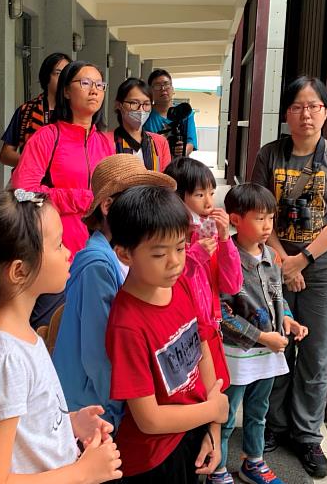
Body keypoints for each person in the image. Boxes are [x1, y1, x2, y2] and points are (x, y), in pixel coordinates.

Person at [0, 189, 122, 484]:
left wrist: (70, 424)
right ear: (19, 270)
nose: (69, 250)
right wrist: (82, 473)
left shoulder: (20, 336)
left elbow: (23, 431)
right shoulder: (5, 361)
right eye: (57, 245)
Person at [251, 75, 327, 479]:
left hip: (323, 271)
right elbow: (260, 212)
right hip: (273, 265)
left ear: (326, 112)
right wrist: (282, 259)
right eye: (297, 107)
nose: (305, 114)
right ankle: (275, 425)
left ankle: (307, 435)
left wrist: (304, 260)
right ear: (286, 114)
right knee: (276, 346)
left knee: (315, 354)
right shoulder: (270, 154)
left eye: (313, 106)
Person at [106, 185, 230, 482]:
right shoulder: (127, 324)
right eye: (160, 254)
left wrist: (213, 429)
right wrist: (213, 410)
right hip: (154, 457)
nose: (175, 261)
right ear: (125, 254)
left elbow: (201, 350)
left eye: (180, 247)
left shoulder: (181, 283)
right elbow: (149, 419)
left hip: (193, 432)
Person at [53, 154, 177, 433]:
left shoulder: (116, 256)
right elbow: (100, 354)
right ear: (108, 206)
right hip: (91, 408)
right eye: (137, 199)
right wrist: (121, 408)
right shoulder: (97, 264)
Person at [209, 183, 309, 484]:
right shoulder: (226, 256)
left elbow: (278, 298)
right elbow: (222, 315)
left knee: (259, 411)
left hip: (268, 351)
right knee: (226, 417)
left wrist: (289, 320)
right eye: (259, 218)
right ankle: (217, 469)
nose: (267, 227)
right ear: (235, 219)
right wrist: (263, 337)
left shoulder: (272, 257)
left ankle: (254, 462)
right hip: (238, 353)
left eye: (270, 218)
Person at [12, 60, 113, 327]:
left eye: (100, 85)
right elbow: (21, 191)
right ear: (66, 91)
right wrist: (78, 199)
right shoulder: (48, 136)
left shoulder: (105, 142)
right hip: (56, 253)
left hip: (99, 255)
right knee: (49, 329)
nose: (94, 90)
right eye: (85, 83)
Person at [164, 156, 242, 389]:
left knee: (214, 392)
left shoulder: (209, 234)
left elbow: (232, 285)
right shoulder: (165, 237)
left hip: (210, 330)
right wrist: (194, 256)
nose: (209, 202)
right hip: (180, 336)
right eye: (199, 195)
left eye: (211, 192)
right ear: (177, 199)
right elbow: (168, 285)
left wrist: (226, 239)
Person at [0, 52, 70, 167]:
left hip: (67, 181)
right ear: (46, 76)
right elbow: (5, 155)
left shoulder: (77, 111)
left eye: (68, 74)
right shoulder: (26, 110)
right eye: (58, 73)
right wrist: (36, 164)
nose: (64, 79)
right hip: (30, 179)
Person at [113, 77, 171, 171]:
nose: (141, 109)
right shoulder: (107, 141)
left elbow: (167, 181)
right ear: (119, 105)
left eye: (146, 104)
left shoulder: (160, 143)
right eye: (134, 103)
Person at [144, 69, 197, 157]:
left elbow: (191, 142)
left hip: (178, 166)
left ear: (172, 88)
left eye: (166, 84)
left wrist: (182, 151)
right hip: (153, 163)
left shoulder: (185, 112)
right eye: (157, 86)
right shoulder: (145, 113)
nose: (163, 89)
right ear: (150, 91)